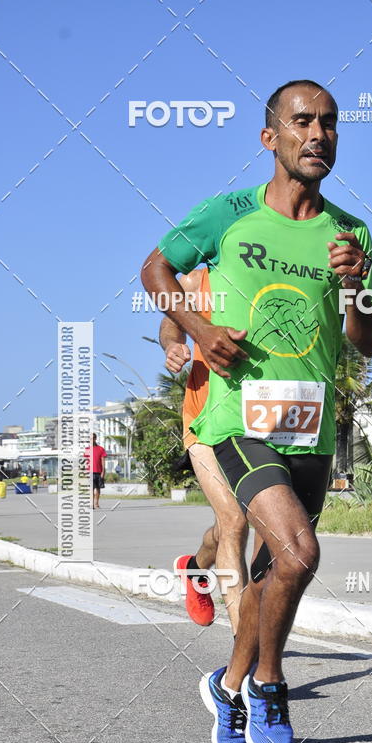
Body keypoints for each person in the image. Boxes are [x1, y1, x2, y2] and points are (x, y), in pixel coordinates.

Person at [142, 79, 372, 743]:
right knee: (301, 551)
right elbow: (156, 266)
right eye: (302, 122)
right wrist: (194, 327)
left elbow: (368, 340)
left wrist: (354, 287)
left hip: (310, 426)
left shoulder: (352, 233)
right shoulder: (229, 214)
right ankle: (270, 682)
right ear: (270, 137)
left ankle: (226, 686)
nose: (317, 135)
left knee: (274, 569)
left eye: (329, 124)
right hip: (233, 419)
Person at [159, 266, 248, 631]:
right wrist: (172, 346)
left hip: (258, 417)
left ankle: (195, 570)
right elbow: (170, 322)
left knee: (229, 523)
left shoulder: (281, 272)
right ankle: (247, 648)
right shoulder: (197, 280)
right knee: (234, 521)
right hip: (204, 415)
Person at [84, 433, 107, 509]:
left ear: (95, 438)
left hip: (99, 472)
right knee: (91, 489)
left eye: (93, 438)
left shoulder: (101, 449)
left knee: (98, 488)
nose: (91, 440)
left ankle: (96, 503)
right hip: (90, 472)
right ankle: (92, 504)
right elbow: (85, 461)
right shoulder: (87, 450)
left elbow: (103, 461)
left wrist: (103, 471)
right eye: (90, 438)